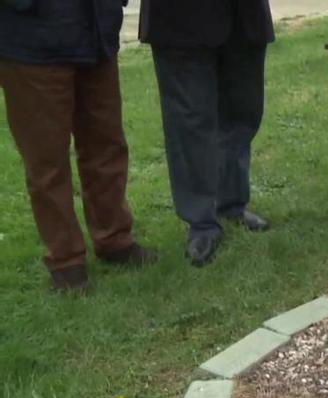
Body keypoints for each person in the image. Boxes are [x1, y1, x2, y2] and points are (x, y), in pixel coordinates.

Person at [0, 0, 157, 293]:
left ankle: (114, 239)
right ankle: (66, 262)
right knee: (46, 160)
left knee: (107, 144)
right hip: (32, 37)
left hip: (96, 31)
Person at [139, 0, 274, 267]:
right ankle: (201, 222)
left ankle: (232, 203)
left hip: (244, 15)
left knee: (243, 110)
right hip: (180, 19)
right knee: (190, 121)